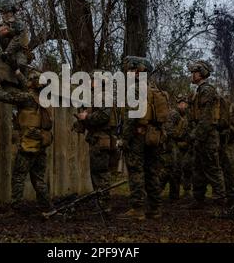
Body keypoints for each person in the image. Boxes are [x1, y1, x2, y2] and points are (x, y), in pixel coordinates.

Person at [0, 71, 53, 211]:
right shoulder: (43, 99)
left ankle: (17, 207)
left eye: (29, 80)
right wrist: (19, 74)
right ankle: (46, 206)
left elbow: (1, 95)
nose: (27, 81)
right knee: (39, 179)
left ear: (33, 83)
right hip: (41, 145)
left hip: (28, 145)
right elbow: (28, 87)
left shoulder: (26, 98)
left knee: (18, 176)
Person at [118, 56, 164, 220]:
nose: (128, 72)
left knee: (136, 171)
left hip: (138, 136)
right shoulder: (153, 88)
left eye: (131, 69)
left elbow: (131, 117)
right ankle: (155, 208)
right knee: (152, 172)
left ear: (138, 71)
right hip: (153, 136)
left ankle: (137, 209)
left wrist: (124, 139)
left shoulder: (135, 89)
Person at [72, 71, 114, 211]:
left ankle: (104, 204)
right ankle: (101, 203)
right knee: (96, 172)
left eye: (92, 79)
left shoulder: (103, 96)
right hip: (97, 140)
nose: (90, 81)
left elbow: (103, 116)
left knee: (101, 172)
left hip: (101, 140)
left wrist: (86, 117)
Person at [188, 60, 226, 213]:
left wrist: (196, 135)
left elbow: (206, 118)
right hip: (201, 136)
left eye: (194, 72)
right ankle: (198, 199)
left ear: (202, 74)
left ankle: (219, 202)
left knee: (212, 169)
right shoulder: (200, 90)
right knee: (198, 169)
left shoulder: (207, 91)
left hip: (208, 136)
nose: (192, 75)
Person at [159, 94, 190, 201]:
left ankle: (174, 195)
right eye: (181, 103)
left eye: (184, 103)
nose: (183, 105)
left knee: (176, 170)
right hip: (170, 144)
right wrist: (178, 137)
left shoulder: (184, 116)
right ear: (177, 104)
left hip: (178, 146)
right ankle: (157, 191)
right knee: (170, 169)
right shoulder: (174, 114)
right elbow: (168, 129)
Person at [0, 0, 31, 74]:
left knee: (20, 66)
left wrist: (7, 52)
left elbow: (18, 40)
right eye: (3, 13)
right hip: (6, 54)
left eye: (7, 12)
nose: (5, 15)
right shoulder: (1, 25)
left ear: (12, 12)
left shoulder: (19, 23)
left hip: (19, 52)